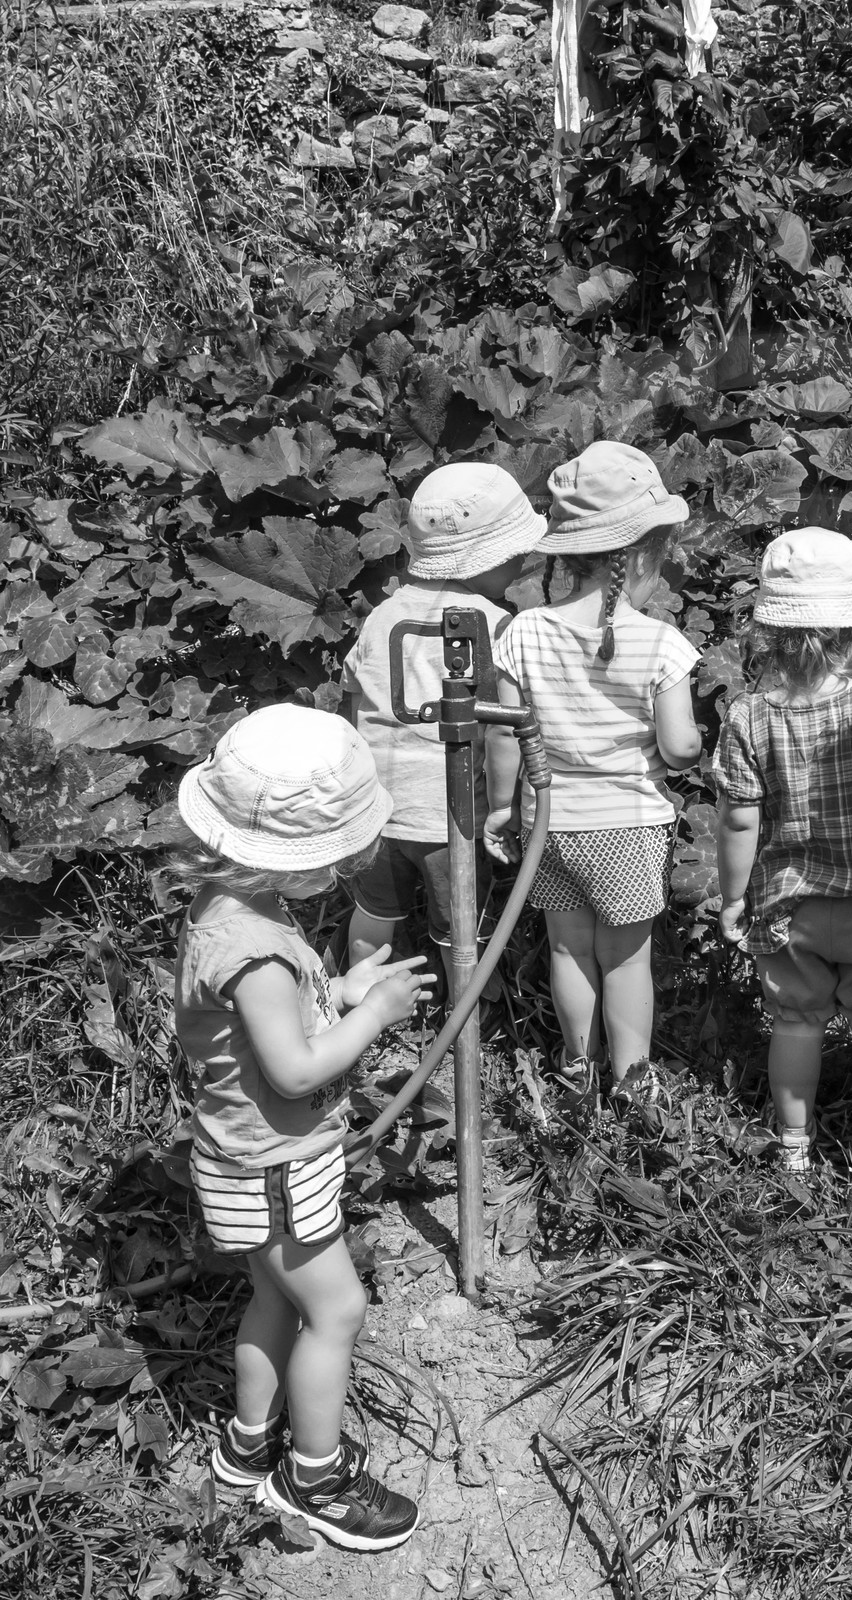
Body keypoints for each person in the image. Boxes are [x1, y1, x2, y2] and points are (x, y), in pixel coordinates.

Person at [171, 706, 434, 1548]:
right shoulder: (256, 952)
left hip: (244, 1154)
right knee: (339, 1309)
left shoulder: (226, 913)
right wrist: (376, 1018)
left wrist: (342, 995)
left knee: (274, 1299)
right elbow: (292, 1070)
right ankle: (312, 1477)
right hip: (277, 1163)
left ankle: (248, 1448)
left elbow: (271, 1036)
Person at [713, 527, 852, 1182]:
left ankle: (792, 1148)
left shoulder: (748, 716)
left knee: (795, 1027)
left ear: (768, 635)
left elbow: (739, 819)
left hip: (788, 905)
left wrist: (732, 898)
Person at [484, 442, 701, 1104]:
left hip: (548, 821)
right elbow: (681, 745)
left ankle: (578, 1069)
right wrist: (682, 753)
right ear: (641, 555)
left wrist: (501, 806)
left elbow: (504, 733)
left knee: (568, 950)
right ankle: (633, 1081)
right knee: (627, 958)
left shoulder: (523, 633)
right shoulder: (660, 643)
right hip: (627, 825)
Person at [341, 462, 546, 976]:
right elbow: (506, 723)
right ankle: (466, 1015)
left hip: (376, 809)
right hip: (449, 816)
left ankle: (361, 998)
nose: (523, 562)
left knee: (372, 915)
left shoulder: (384, 615)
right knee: (462, 932)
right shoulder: (494, 625)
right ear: (491, 558)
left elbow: (352, 693)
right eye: (516, 555)